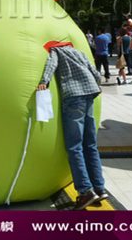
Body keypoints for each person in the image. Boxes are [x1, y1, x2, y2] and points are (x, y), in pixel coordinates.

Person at [36, 42, 107, 210]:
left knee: (75, 146)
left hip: (73, 97)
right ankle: (99, 187)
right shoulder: (78, 52)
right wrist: (97, 84)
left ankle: (85, 191)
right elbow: (94, 71)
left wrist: (44, 82)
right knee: (90, 144)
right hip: (90, 94)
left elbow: (51, 65)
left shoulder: (56, 51)